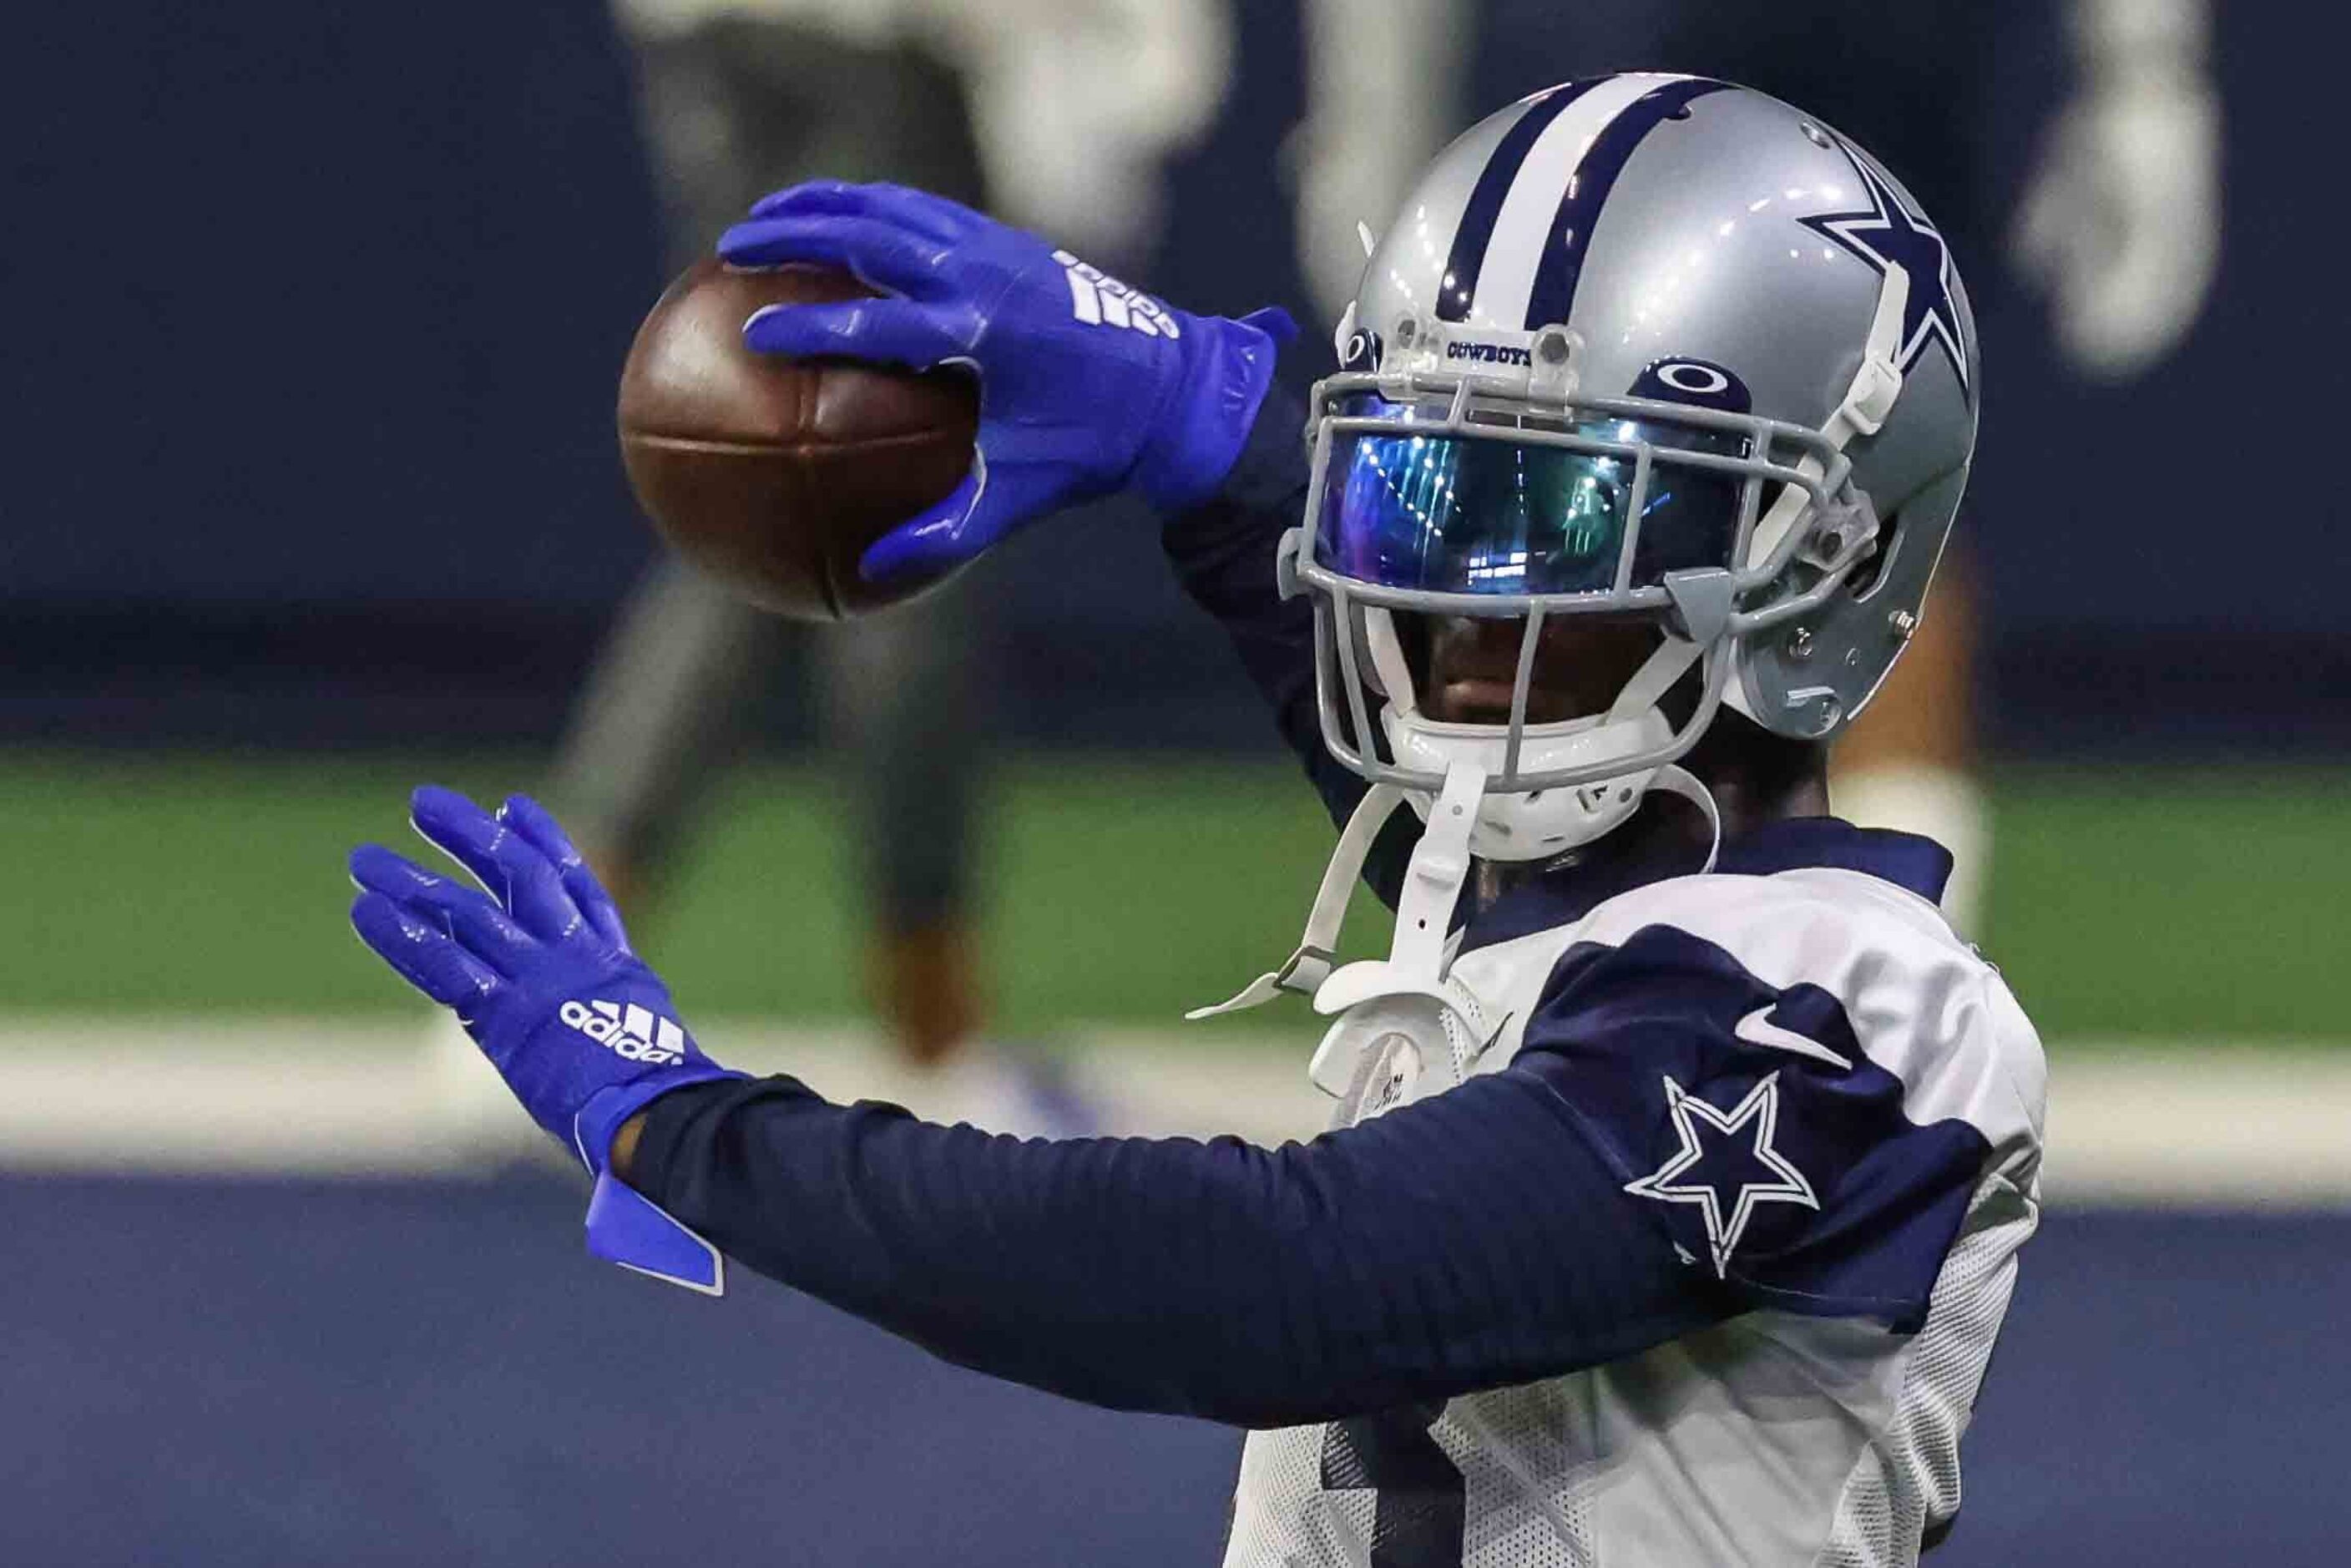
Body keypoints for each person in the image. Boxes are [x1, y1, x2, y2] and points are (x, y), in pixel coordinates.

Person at [351, 76, 2045, 1565]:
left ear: (1813, 557)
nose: (1449, 606)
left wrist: (692, 1130)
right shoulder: (1582, 926)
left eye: (1547, 518)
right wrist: (1195, 407)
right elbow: (1511, 861)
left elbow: (1274, 1279)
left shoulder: (1846, 1020)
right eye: (1415, 494)